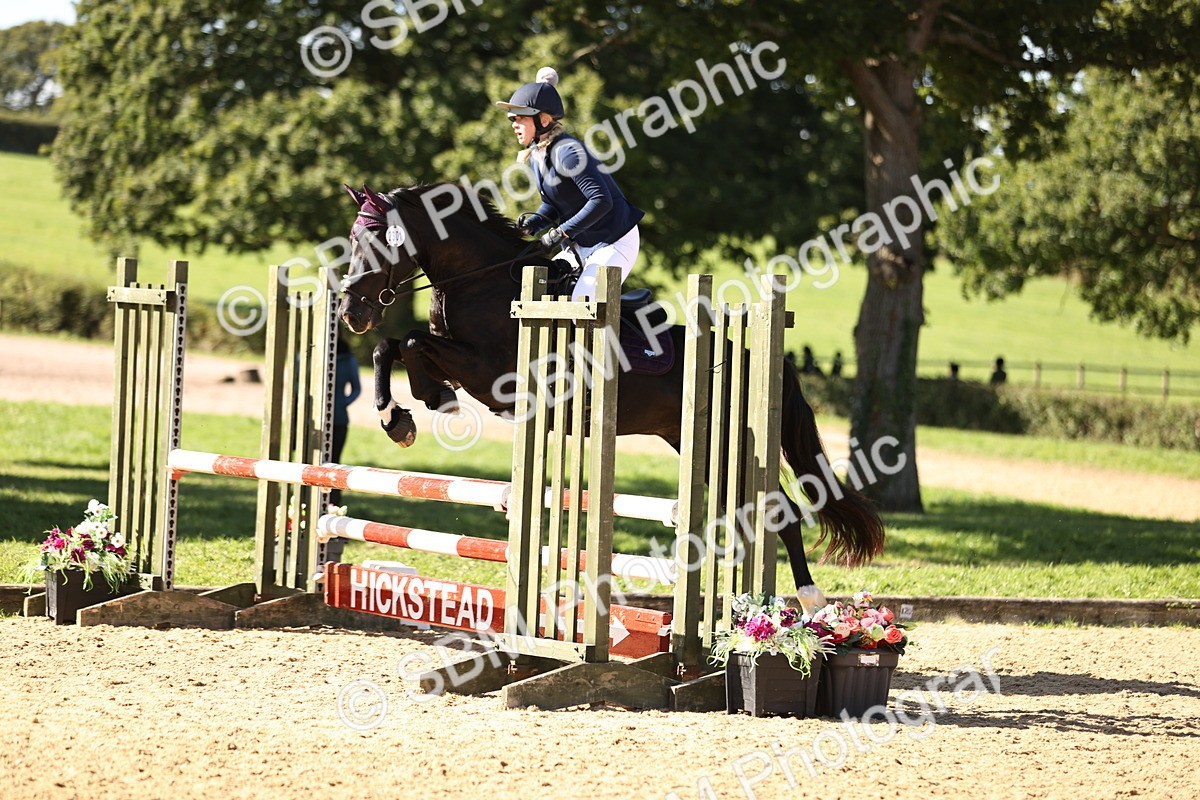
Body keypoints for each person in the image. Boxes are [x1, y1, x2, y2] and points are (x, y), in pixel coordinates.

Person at [497, 67, 644, 301]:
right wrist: (531, 226)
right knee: (536, 294)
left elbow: (601, 201)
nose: (514, 124)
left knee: (579, 304)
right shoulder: (538, 154)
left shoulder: (567, 152)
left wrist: (559, 233)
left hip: (614, 241)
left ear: (543, 120)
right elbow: (552, 204)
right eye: (513, 119)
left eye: (521, 118)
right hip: (581, 245)